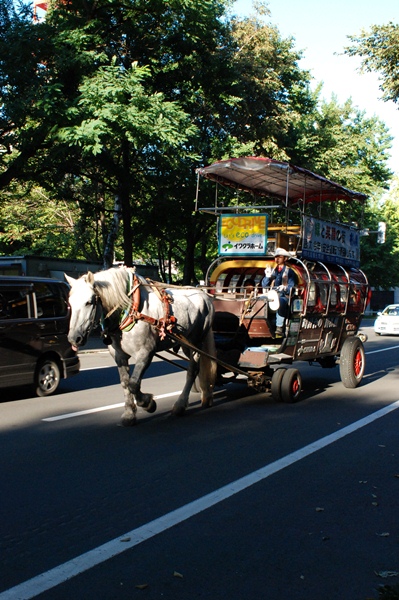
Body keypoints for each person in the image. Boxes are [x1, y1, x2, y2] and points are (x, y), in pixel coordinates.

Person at [261, 248, 297, 337]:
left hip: (284, 296)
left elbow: (291, 287)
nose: (277, 259)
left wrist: (285, 288)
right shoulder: (273, 270)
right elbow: (264, 286)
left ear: (285, 259)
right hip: (272, 294)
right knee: (260, 299)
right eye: (276, 257)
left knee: (280, 301)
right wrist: (267, 277)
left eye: (279, 257)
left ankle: (279, 327)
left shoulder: (289, 271)